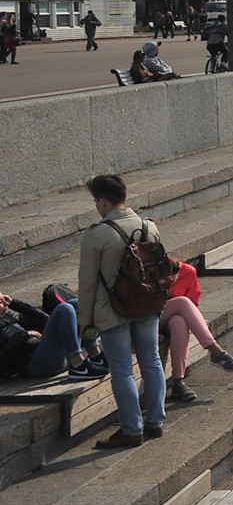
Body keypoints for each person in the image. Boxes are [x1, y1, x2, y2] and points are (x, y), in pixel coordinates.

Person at [76, 173, 166, 449]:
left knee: (123, 370)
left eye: (96, 200)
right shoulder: (149, 227)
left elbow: (88, 283)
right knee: (151, 361)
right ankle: (156, 422)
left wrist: (85, 322)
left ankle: (131, 429)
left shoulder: (97, 235)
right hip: (147, 304)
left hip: (111, 311)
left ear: (103, 201)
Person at [159, 259, 233, 402]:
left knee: (180, 322)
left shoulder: (187, 272)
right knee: (182, 302)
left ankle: (178, 382)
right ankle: (216, 352)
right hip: (149, 318)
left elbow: (193, 305)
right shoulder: (148, 271)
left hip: (172, 318)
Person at [0, 287, 107, 380]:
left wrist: (15, 303)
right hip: (34, 363)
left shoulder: (9, 316)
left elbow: (47, 319)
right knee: (64, 309)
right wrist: (24, 335)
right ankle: (78, 366)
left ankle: (96, 356)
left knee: (76, 304)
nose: (5, 303)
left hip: (45, 353)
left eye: (4, 299)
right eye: (0, 302)